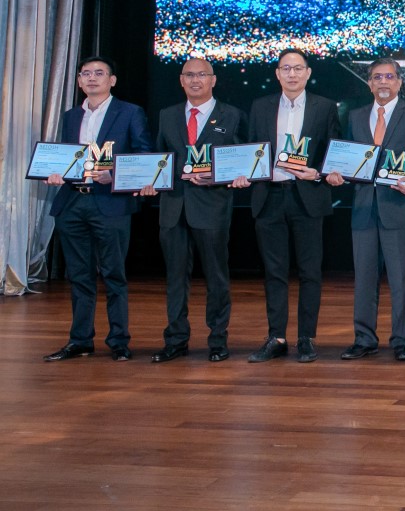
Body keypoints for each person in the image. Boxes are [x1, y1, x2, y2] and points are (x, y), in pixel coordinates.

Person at [43, 56, 152, 362]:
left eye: (99, 73)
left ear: (112, 80)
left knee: (114, 275)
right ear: (79, 81)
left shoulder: (130, 112)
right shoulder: (69, 116)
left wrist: (115, 175)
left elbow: (143, 154)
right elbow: (65, 158)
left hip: (111, 202)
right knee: (78, 276)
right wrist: (55, 173)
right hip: (72, 202)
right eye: (86, 74)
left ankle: (118, 341)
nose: (92, 78)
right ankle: (80, 340)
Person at [140, 58, 247, 363]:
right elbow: (160, 158)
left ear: (213, 80)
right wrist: (151, 181)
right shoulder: (168, 115)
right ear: (181, 80)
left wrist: (231, 176)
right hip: (174, 206)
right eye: (189, 75)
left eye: (202, 74)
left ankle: (217, 339)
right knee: (175, 278)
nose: (195, 80)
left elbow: (244, 159)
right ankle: (175, 339)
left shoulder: (233, 115)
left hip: (212, 207)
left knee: (216, 277)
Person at [327, 58, 405, 362]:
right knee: (364, 279)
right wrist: (337, 173)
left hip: (400, 208)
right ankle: (364, 338)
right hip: (363, 208)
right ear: (369, 83)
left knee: (401, 279)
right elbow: (348, 157)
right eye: (377, 77)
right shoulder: (357, 116)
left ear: (399, 81)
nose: (383, 82)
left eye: (389, 77)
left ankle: (401, 340)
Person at [245, 49, 340, 363]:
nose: (292, 74)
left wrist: (321, 173)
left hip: (307, 197)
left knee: (310, 272)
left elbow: (333, 150)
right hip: (268, 195)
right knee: (274, 272)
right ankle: (276, 337)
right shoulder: (260, 106)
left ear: (308, 73)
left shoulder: (324, 107)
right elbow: (250, 150)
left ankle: (306, 338)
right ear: (277, 73)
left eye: (298, 68)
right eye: (286, 68)